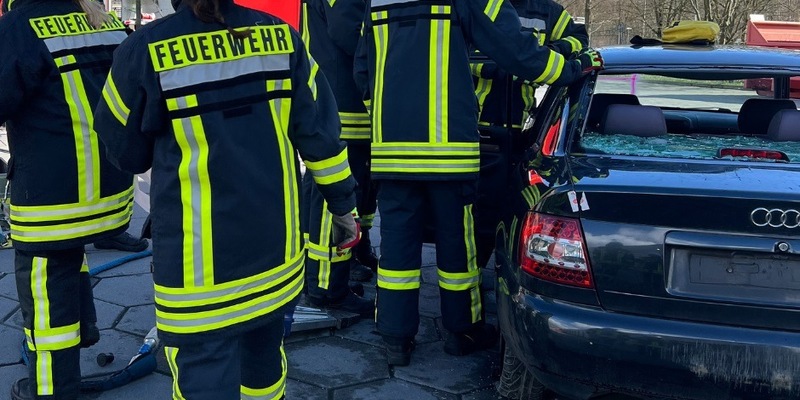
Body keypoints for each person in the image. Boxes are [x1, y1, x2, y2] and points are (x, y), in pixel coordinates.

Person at [93, 0, 358, 397]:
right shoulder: (282, 38)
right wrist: (343, 207)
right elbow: (321, 139)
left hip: (199, 275)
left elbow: (124, 151)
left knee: (204, 381)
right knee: (264, 373)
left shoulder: (145, 48)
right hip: (275, 259)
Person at [354, 0, 602, 366]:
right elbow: (517, 53)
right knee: (457, 245)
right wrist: (572, 67)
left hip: (393, 149)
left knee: (396, 250)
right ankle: (460, 331)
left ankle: (395, 338)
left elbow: (362, 70)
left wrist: (390, 116)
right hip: (449, 151)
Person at [0, 0, 136, 398]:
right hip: (110, 187)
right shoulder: (106, 21)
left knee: (44, 281)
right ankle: (85, 329)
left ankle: (53, 387)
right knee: (69, 254)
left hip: (53, 196)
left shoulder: (20, 27)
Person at [470, 0, 589, 270]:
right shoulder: (481, 5)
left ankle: (491, 268)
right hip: (476, 130)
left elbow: (579, 38)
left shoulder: (548, 12)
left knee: (506, 208)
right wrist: (521, 60)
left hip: (522, 133)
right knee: (474, 214)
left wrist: (548, 53)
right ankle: (470, 276)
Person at [300, 0, 374, 316]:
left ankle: (342, 267)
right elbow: (348, 31)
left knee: (344, 194)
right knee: (334, 196)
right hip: (342, 106)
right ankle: (327, 287)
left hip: (339, 104)